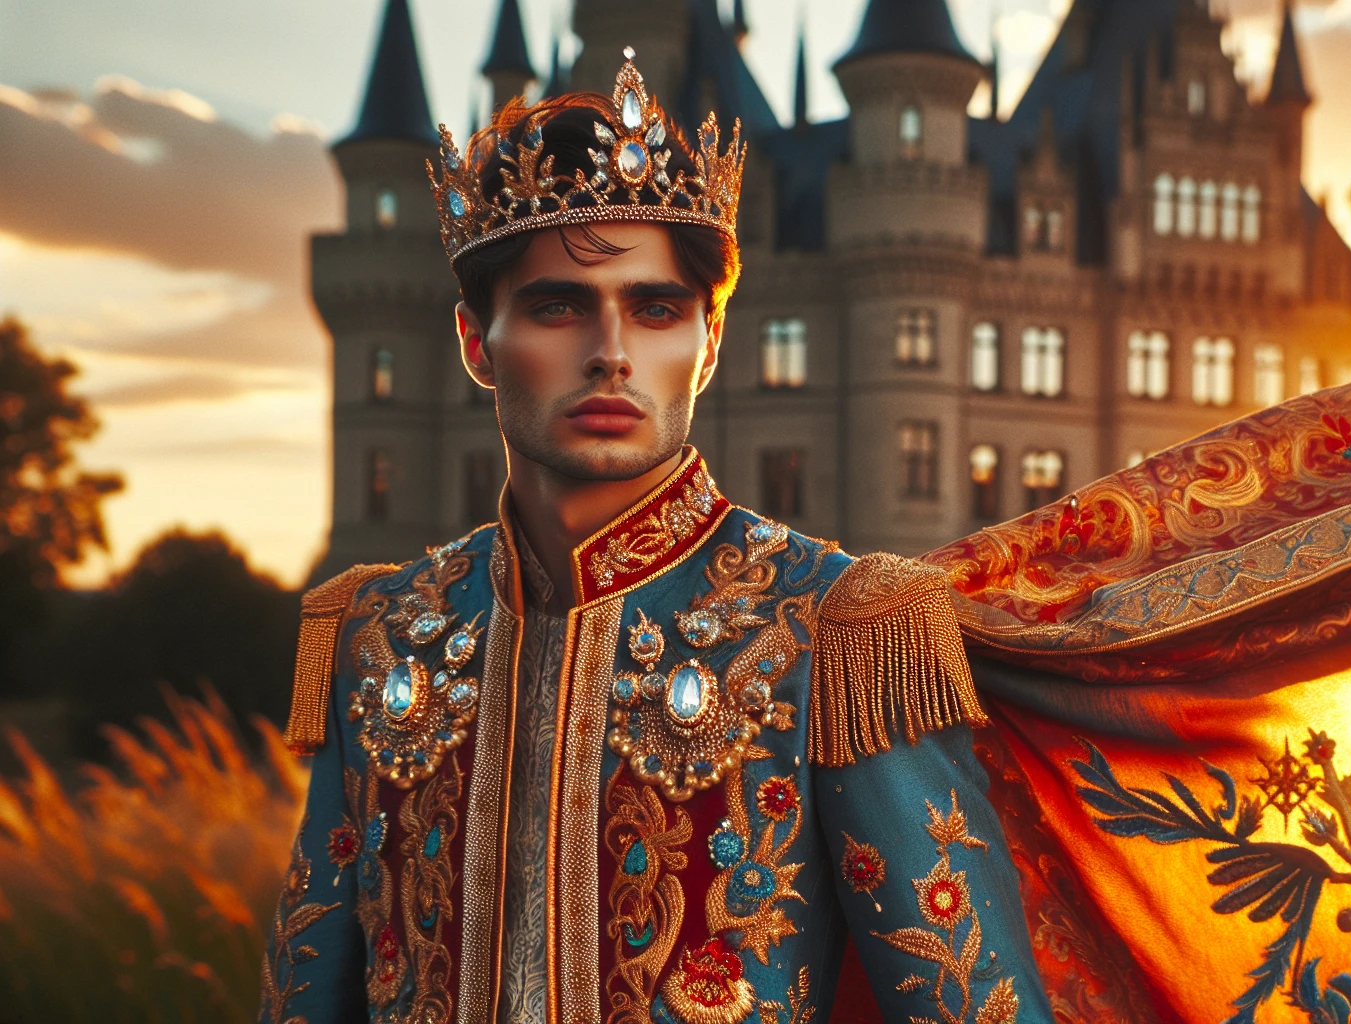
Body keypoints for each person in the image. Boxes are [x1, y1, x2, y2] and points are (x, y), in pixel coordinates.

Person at [261, 53, 1045, 1024]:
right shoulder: (379, 638)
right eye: (556, 305)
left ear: (709, 344)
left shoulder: (835, 635)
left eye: (656, 307)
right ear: (475, 343)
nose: (611, 352)